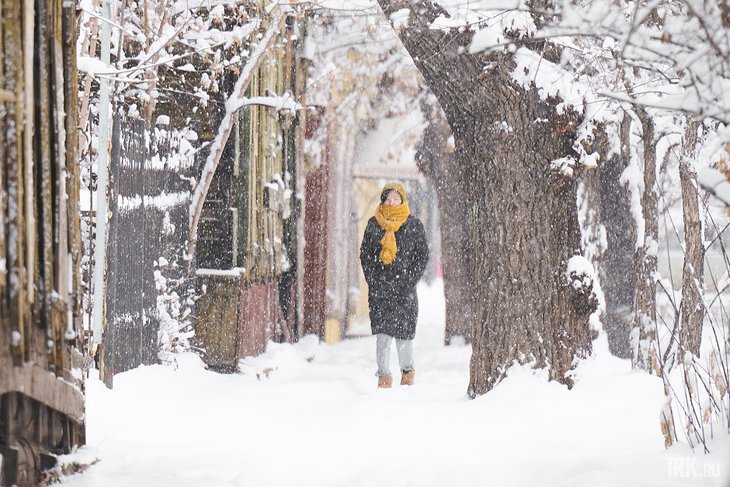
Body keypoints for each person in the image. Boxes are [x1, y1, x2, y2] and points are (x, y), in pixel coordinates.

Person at [359, 182, 429, 388]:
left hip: (404, 291)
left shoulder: (413, 225)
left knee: (404, 336)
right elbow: (366, 256)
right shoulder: (374, 224)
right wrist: (375, 280)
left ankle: (407, 374)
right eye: (388, 199)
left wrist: (409, 280)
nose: (391, 202)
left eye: (395, 198)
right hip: (381, 291)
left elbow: (422, 256)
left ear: (402, 200)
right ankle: (383, 377)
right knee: (383, 337)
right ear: (383, 201)